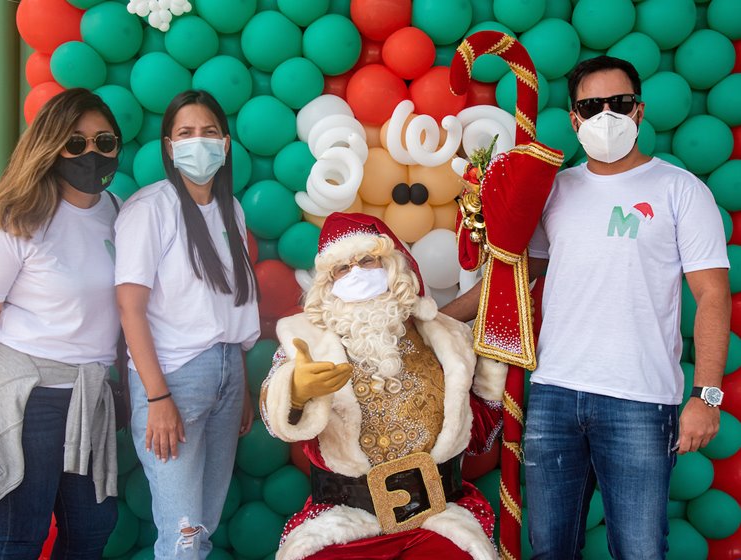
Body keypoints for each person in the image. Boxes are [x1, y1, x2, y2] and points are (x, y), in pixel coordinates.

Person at [442, 55, 731, 559]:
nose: (606, 116)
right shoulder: (554, 190)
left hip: (640, 399)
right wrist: (435, 319)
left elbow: (712, 294)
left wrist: (707, 396)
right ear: (574, 119)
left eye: (618, 104)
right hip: (555, 392)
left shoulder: (681, 191)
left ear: (638, 112)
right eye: (591, 106)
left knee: (640, 550)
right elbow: (513, 275)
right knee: (550, 547)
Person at [0, 88, 123, 557]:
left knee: (91, 530)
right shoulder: (12, 217)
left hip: (91, 398)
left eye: (104, 141)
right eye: (75, 144)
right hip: (29, 400)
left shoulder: (119, 212)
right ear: (49, 145)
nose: (91, 153)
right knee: (19, 535)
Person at [261, 212, 509, 560]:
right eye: (342, 269)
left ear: (392, 267)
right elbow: (274, 418)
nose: (356, 273)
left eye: (366, 260)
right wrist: (295, 392)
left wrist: (492, 375)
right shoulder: (305, 340)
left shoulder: (447, 338)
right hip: (345, 516)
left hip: (437, 514)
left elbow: (480, 432)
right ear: (327, 285)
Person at [114, 89, 259, 559]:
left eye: (209, 132)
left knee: (204, 525)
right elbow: (129, 308)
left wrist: (239, 383)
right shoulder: (150, 208)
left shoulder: (230, 210)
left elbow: (228, 305)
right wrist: (157, 398)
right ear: (169, 146)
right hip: (174, 377)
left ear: (227, 143)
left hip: (225, 372)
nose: (199, 142)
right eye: (186, 133)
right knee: (182, 535)